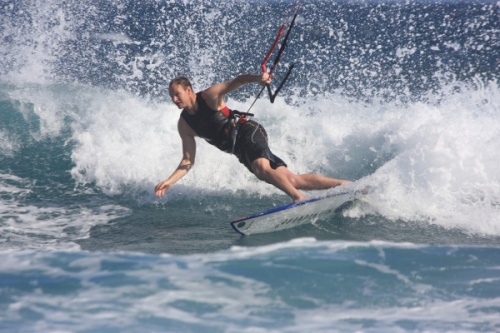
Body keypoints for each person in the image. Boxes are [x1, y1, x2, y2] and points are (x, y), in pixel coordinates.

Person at [154, 72, 351, 202]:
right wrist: (170, 181)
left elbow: (238, 80)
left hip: (248, 131)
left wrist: (259, 78)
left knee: (261, 168)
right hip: (239, 150)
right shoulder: (185, 124)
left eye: (178, 94)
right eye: (172, 96)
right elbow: (188, 160)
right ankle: (347, 186)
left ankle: (299, 199)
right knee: (292, 179)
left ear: (189, 91)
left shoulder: (209, 96)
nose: (174, 100)